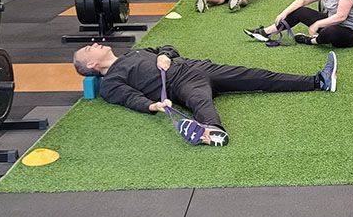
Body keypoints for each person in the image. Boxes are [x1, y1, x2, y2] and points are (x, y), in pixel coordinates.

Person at [72, 43, 338, 146]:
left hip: (197, 66)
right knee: (201, 103)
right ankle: (211, 132)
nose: (94, 43)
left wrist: (165, 55)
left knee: (257, 76)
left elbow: (167, 47)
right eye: (88, 49)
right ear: (92, 65)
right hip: (180, 83)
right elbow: (129, 98)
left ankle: (319, 81)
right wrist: (154, 106)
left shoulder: (135, 52)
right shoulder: (111, 82)